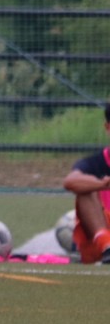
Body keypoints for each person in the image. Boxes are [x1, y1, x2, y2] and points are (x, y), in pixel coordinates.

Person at [61, 102, 110, 264]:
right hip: (102, 238)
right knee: (85, 188)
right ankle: (107, 245)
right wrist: (103, 184)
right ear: (108, 128)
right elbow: (70, 182)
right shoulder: (94, 163)